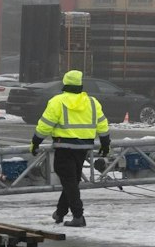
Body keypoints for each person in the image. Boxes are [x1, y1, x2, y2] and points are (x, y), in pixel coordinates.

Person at [32, 69, 111, 228]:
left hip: (64, 147)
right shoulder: (92, 102)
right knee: (72, 181)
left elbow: (46, 124)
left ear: (65, 83)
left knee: (69, 182)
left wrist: (36, 141)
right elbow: (102, 124)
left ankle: (78, 216)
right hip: (83, 147)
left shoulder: (57, 101)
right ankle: (60, 213)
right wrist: (105, 143)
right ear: (81, 84)